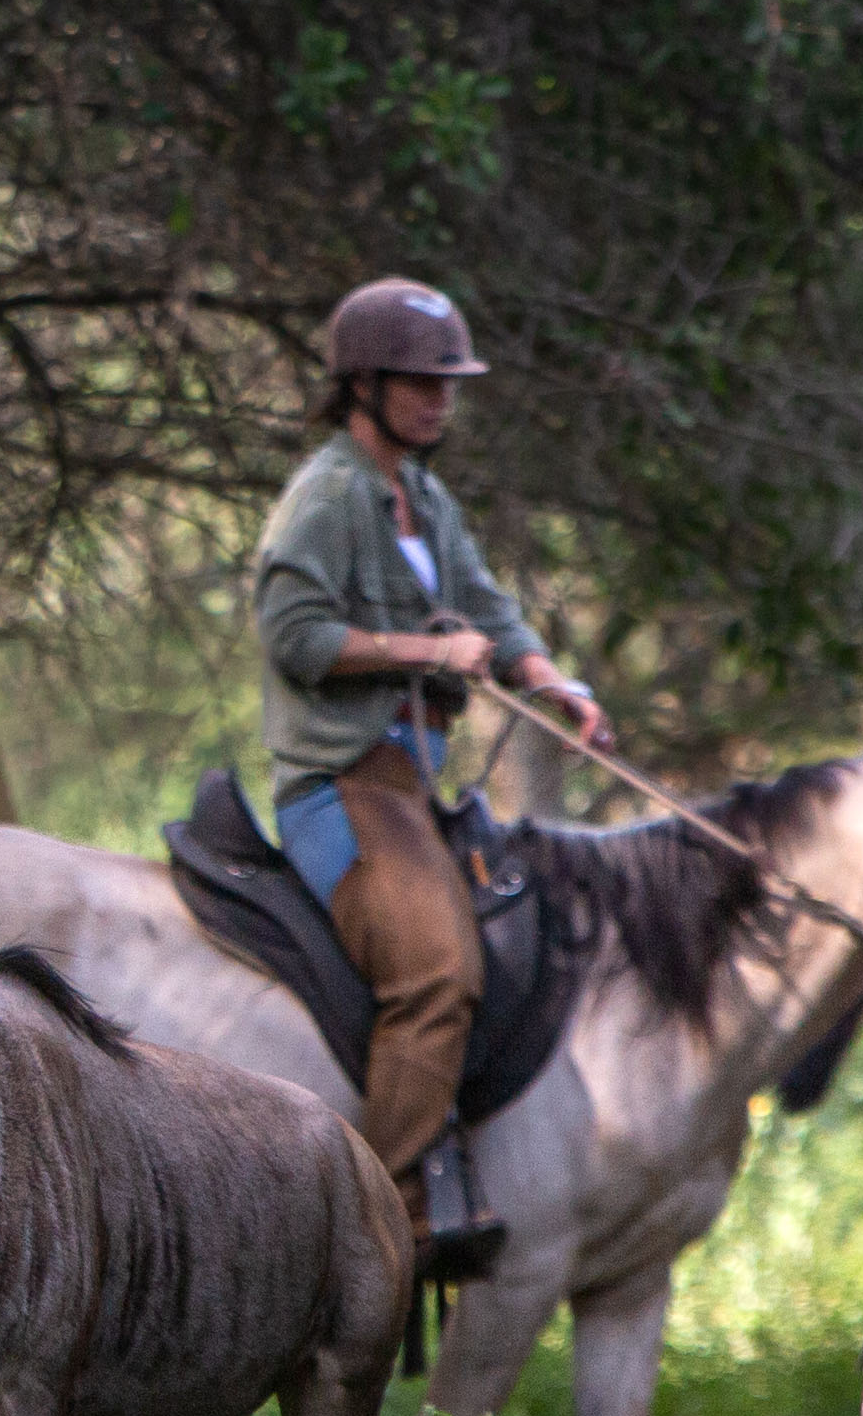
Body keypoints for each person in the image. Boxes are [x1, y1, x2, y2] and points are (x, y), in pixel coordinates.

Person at [252, 278, 613, 1267]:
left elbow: (490, 613)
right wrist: (426, 653)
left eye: (448, 384)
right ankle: (385, 1216)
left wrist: (548, 681)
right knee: (437, 973)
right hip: (341, 786)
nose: (438, 400)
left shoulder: (427, 498)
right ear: (361, 385)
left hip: (411, 787)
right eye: (419, 382)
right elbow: (295, 636)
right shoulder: (326, 496)